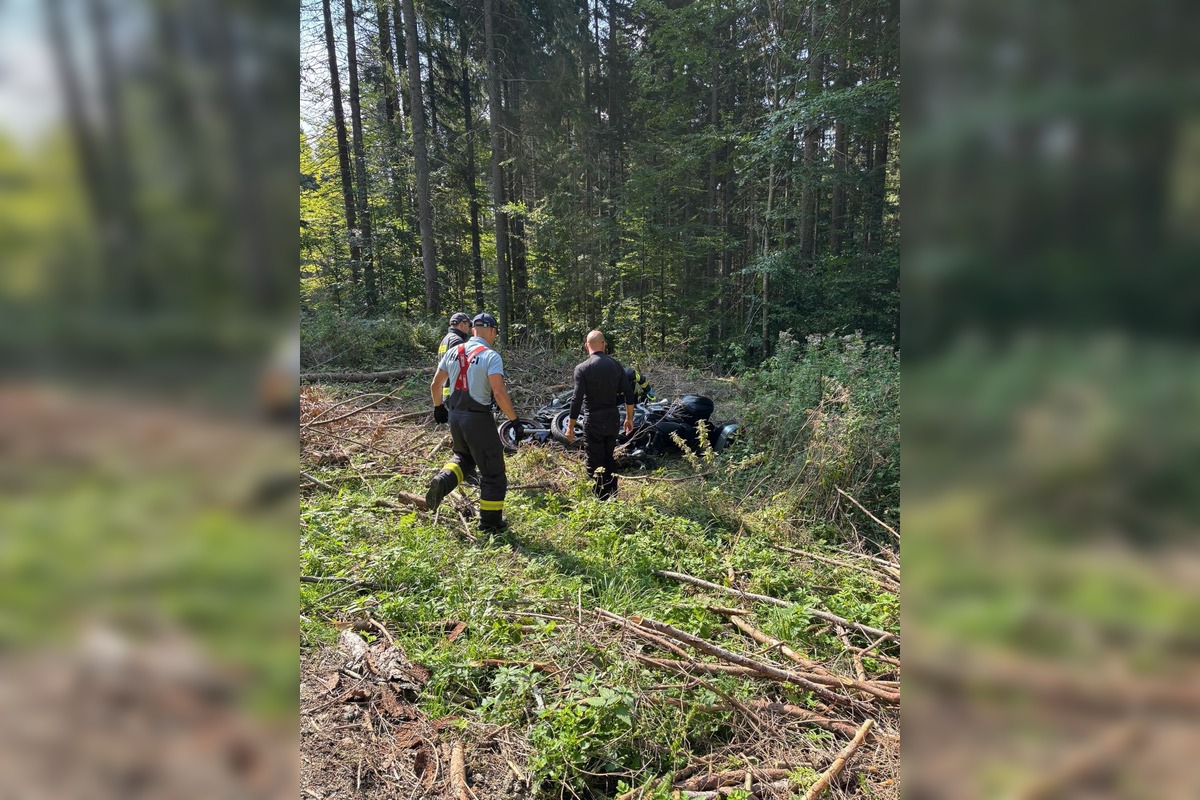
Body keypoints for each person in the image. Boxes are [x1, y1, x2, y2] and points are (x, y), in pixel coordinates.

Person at [426, 313, 522, 531]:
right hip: (478, 419)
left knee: (465, 457)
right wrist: (514, 420)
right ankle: (490, 524)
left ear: (473, 330)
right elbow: (498, 392)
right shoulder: (491, 356)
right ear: (489, 330)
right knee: (493, 472)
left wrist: (438, 408)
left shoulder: (452, 352)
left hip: (456, 417)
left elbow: (435, 384)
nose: (495, 337)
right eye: (495, 332)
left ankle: (443, 481)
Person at [565, 330, 634, 499]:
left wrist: (570, 427)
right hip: (612, 418)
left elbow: (577, 399)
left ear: (586, 346)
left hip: (594, 419)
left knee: (595, 459)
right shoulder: (616, 365)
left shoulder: (581, 368)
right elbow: (629, 394)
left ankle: (599, 499)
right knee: (609, 456)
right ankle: (613, 495)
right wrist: (629, 418)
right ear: (604, 345)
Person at [436, 313, 472, 403]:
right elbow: (461, 367)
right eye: (469, 325)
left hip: (446, 390)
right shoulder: (457, 341)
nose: (470, 328)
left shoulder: (445, 340)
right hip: (455, 393)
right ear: (462, 325)